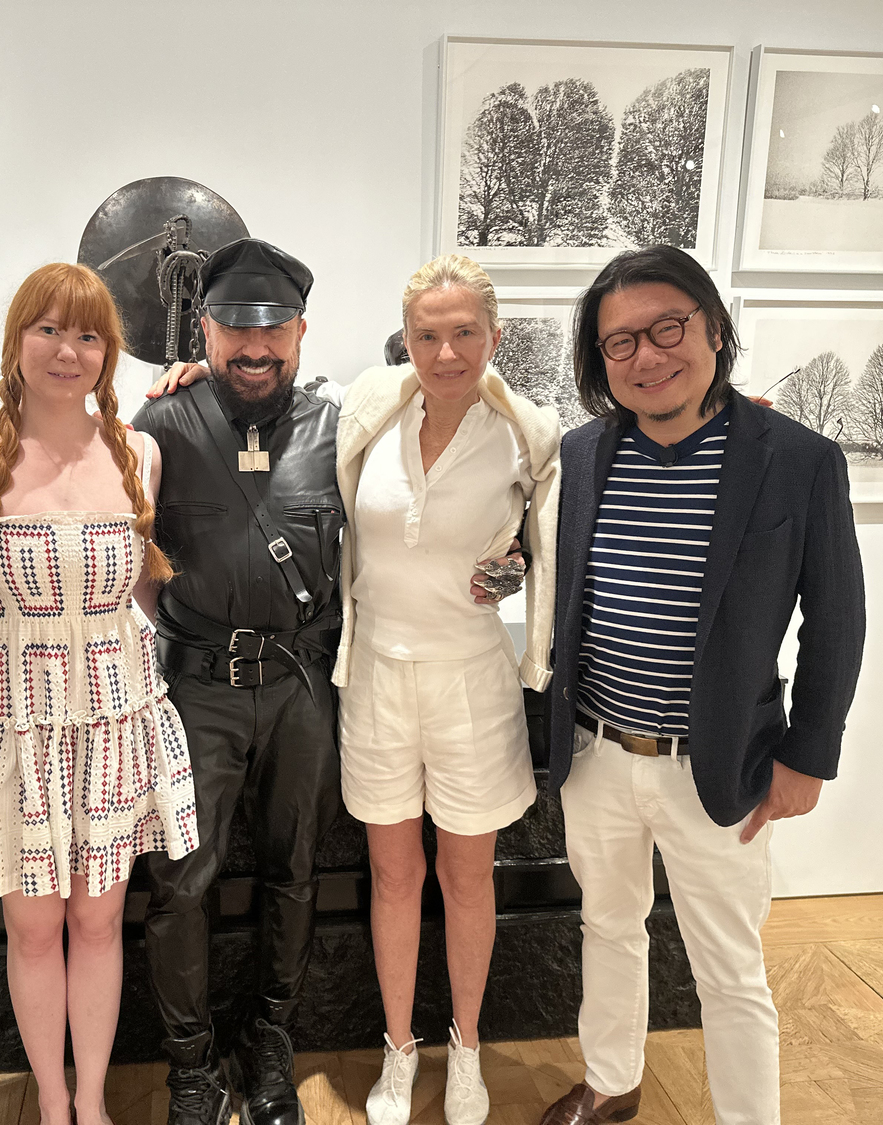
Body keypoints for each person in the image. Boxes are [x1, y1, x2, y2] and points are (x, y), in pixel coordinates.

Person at [538, 246, 865, 1125]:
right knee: (607, 927)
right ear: (599, 362)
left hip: (720, 763)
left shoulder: (795, 460)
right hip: (598, 752)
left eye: (667, 329)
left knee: (728, 964)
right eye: (620, 344)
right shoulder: (582, 454)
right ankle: (612, 1081)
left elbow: (836, 620)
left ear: (714, 329)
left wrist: (807, 758)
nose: (647, 357)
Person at [0, 263, 197, 1125]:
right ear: (16, 340)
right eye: (48, 329)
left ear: (108, 352)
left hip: (116, 719)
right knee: (35, 929)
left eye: (87, 334)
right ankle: (51, 1101)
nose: (67, 350)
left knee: (101, 922)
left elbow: (146, 593)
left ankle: (95, 1098)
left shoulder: (140, 450)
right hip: (17, 726)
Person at [332, 254, 560, 1125]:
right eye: (429, 333)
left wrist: (518, 567)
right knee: (393, 874)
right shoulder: (370, 409)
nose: (448, 350)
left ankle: (466, 1047)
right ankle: (399, 1049)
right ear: (408, 338)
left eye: (466, 331)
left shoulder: (526, 429)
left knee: (468, 877)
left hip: (472, 677)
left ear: (494, 335)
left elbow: (551, 533)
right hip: (380, 675)